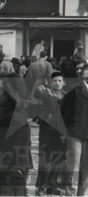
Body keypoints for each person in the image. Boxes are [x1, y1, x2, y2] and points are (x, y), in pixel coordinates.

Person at [33, 71, 67, 196]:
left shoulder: (66, 95)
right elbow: (38, 94)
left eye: (59, 81)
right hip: (47, 129)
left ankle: (53, 185)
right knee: (46, 158)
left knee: (59, 158)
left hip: (61, 131)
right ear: (50, 82)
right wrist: (38, 89)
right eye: (55, 81)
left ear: (63, 83)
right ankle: (42, 187)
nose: (57, 83)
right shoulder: (47, 92)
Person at [59, 64, 88, 196]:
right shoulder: (75, 90)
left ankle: (83, 193)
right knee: (73, 166)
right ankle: (70, 193)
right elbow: (65, 112)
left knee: (87, 167)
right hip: (75, 133)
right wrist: (64, 131)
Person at [25, 51, 53, 117]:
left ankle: (35, 115)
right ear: (46, 56)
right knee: (45, 99)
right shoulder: (48, 64)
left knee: (35, 99)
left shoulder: (33, 64)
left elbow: (30, 77)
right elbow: (50, 75)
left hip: (36, 82)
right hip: (45, 82)